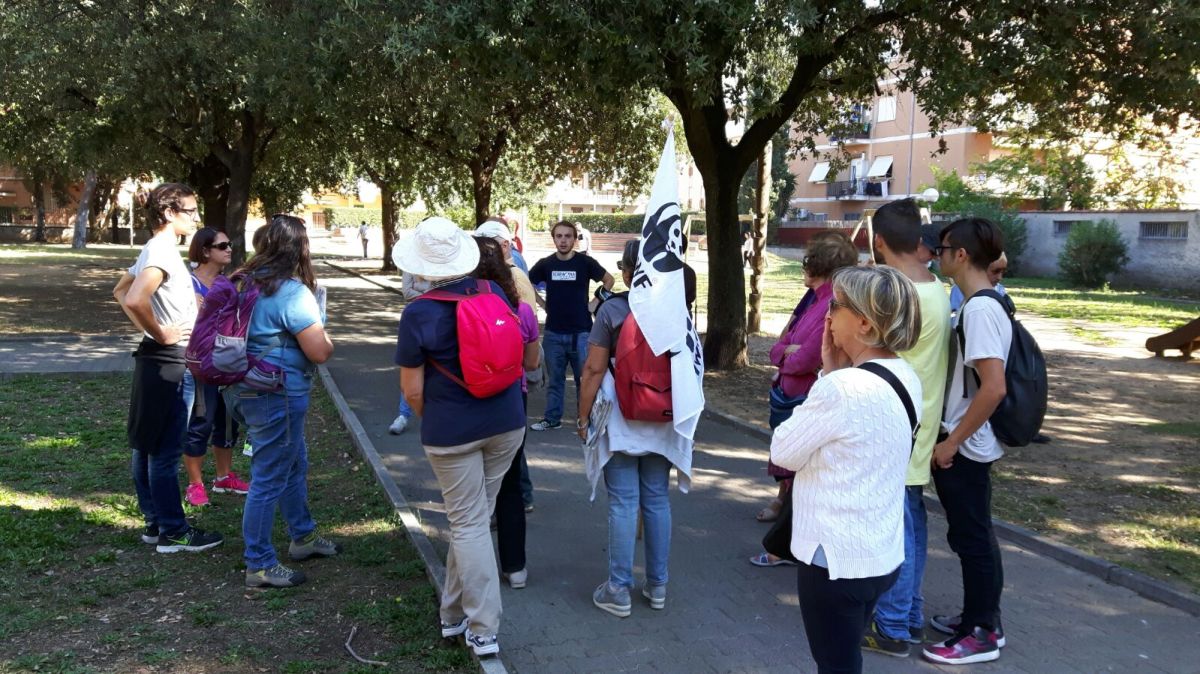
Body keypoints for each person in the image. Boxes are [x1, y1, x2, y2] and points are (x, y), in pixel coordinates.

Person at [771, 265, 923, 674]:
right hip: (880, 553)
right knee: (844, 658)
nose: (826, 315)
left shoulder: (842, 388)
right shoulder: (905, 375)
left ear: (864, 322)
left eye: (835, 306)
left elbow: (783, 452)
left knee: (836, 665)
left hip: (834, 559)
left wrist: (827, 378)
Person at [393, 217, 525, 657]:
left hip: (453, 433)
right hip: (507, 423)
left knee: (468, 523)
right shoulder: (493, 292)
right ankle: (452, 614)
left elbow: (412, 391)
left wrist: (437, 419)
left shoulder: (418, 313)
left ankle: (484, 628)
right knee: (473, 519)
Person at [577, 239, 695, 619]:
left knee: (624, 502)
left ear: (628, 273)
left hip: (621, 418)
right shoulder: (677, 309)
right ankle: (657, 585)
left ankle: (618, 589)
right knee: (657, 499)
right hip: (664, 417)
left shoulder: (612, 309)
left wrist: (582, 417)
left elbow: (593, 369)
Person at [227, 214, 339, 589]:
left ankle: (302, 536)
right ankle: (259, 563)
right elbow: (319, 351)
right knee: (269, 476)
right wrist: (327, 335)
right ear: (300, 249)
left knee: (293, 462)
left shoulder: (242, 281)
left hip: (242, 387)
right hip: (278, 393)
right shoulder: (292, 292)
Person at [861, 198, 952, 657]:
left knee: (895, 527)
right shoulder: (937, 289)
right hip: (922, 422)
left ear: (878, 241)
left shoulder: (897, 297)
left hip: (895, 426)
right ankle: (909, 616)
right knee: (911, 522)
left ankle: (893, 626)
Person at [113, 182, 223, 553]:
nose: (196, 218)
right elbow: (134, 297)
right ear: (169, 212)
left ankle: (155, 523)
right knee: (163, 451)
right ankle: (173, 532)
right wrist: (161, 332)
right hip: (170, 360)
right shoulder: (161, 250)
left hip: (158, 358)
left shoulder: (156, 248)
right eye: (190, 211)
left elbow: (120, 291)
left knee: (146, 445)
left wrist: (153, 329)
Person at [922, 218, 1011, 665]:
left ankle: (981, 632)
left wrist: (952, 441)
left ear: (960, 255)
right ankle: (979, 618)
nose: (936, 255)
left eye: (941, 249)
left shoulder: (979, 309)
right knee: (971, 534)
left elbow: (993, 388)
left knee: (973, 537)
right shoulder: (981, 303)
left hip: (968, 444)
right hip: (968, 439)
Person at [751, 231, 858, 545]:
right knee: (789, 463)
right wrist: (786, 352)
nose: (803, 268)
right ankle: (787, 526)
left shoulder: (830, 304)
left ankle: (787, 542)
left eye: (807, 262)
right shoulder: (814, 298)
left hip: (805, 395)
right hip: (788, 393)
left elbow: (805, 358)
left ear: (817, 266)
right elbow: (780, 345)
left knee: (801, 467)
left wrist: (787, 354)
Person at [472, 236, 541, 589]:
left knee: (473, 487)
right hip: (512, 401)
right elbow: (532, 363)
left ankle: (476, 568)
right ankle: (515, 568)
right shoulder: (521, 310)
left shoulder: (456, 308)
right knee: (510, 483)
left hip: (469, 402)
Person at [181, 227, 249, 507]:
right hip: (198, 366)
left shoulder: (227, 284)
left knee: (227, 421)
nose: (229, 249)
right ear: (205, 251)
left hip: (225, 362)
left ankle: (223, 477)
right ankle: (195, 484)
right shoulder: (186, 285)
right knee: (201, 422)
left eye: (229, 244)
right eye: (222, 246)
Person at [527, 220, 614, 431]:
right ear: (554, 239)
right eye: (559, 236)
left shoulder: (585, 262)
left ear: (575, 239)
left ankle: (585, 421)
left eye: (568, 236)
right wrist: (542, 304)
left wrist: (595, 302)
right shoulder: (546, 264)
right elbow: (527, 283)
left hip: (582, 333)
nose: (563, 240)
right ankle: (552, 419)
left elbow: (609, 280)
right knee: (555, 380)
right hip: (553, 333)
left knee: (584, 380)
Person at [475, 220, 537, 510]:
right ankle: (514, 499)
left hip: (508, 377)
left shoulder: (516, 278)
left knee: (509, 450)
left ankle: (520, 496)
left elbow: (526, 330)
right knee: (506, 448)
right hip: (507, 378)